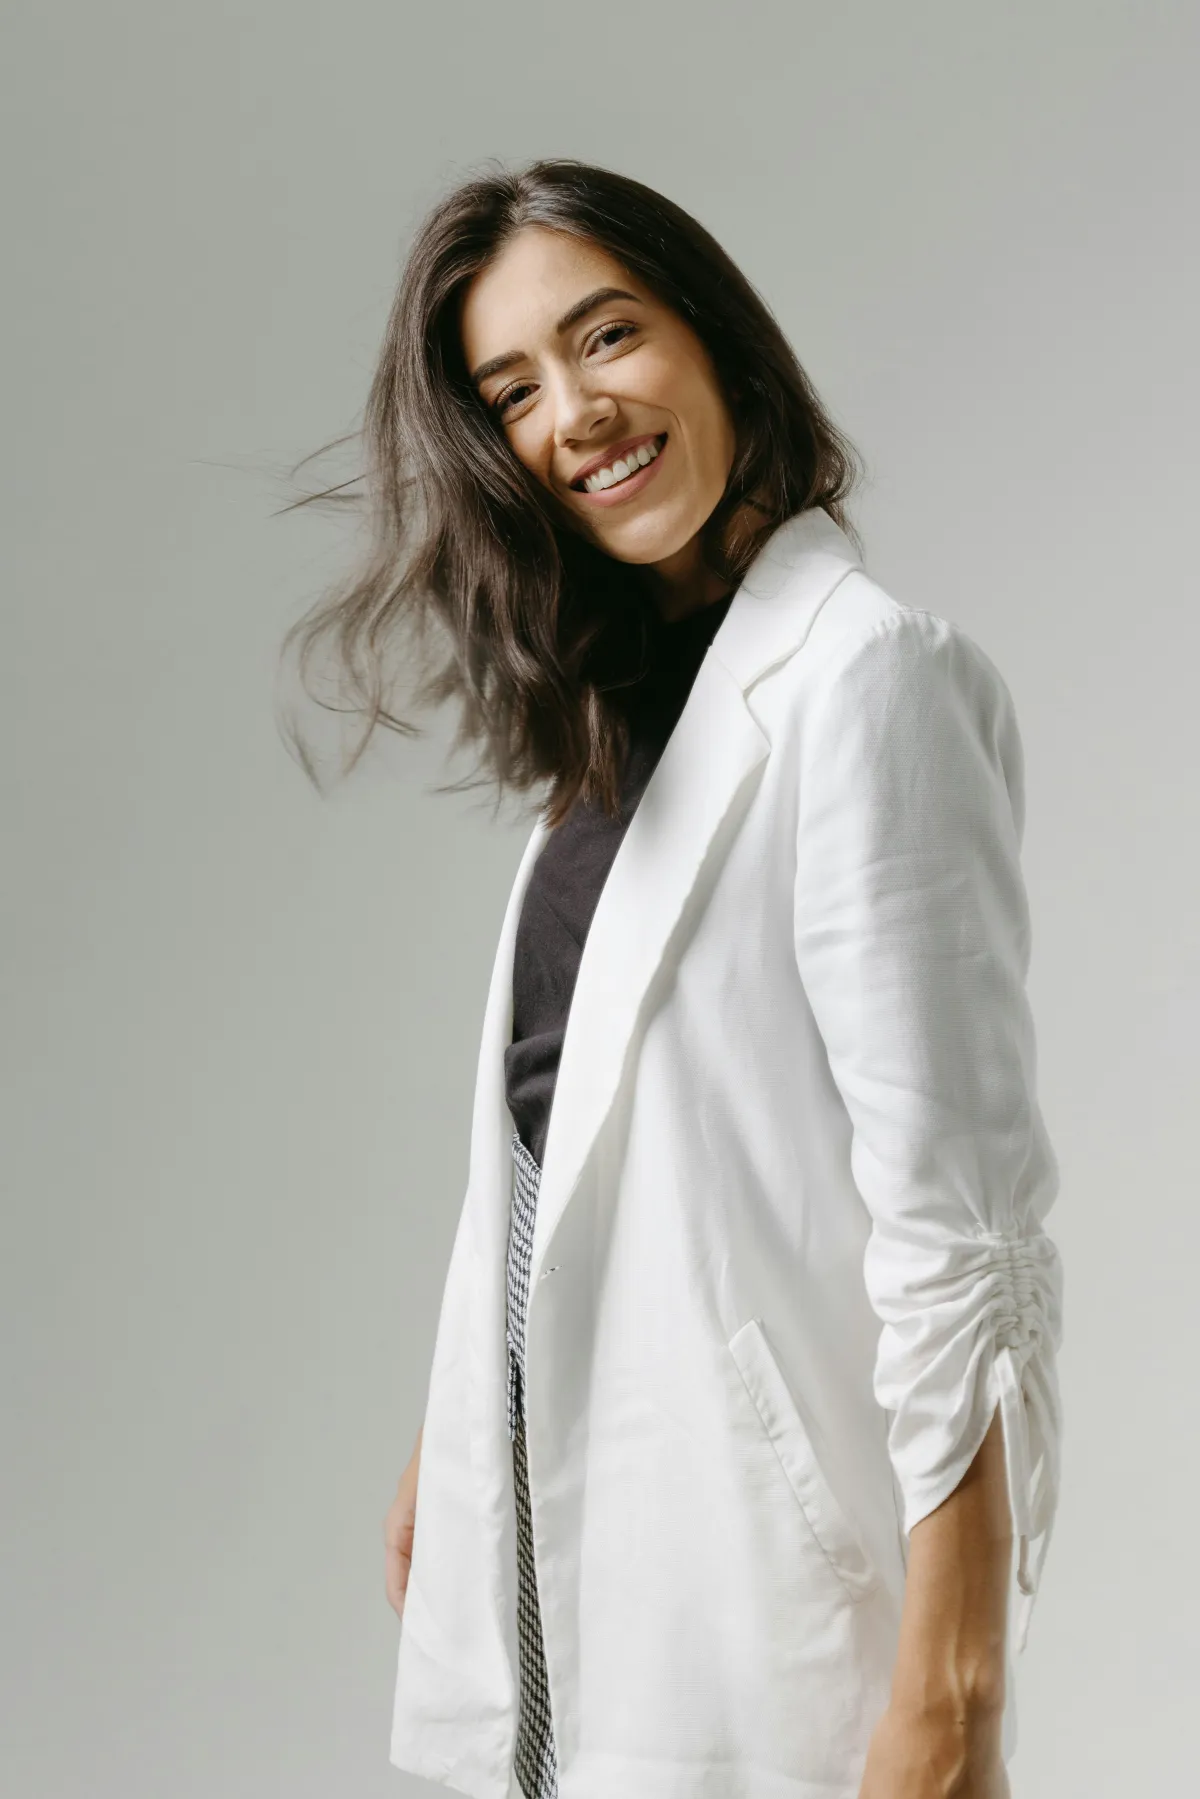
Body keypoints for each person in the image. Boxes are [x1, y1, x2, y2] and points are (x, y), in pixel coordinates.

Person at [283, 158, 1064, 1799]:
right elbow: (564, 1141)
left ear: (714, 338)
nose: (573, 411)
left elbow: (961, 1234)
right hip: (563, 1560)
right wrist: (464, 1423)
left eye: (607, 335)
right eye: (514, 391)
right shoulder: (621, 730)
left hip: (759, 1594)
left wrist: (956, 1690)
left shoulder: (866, 682)